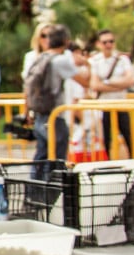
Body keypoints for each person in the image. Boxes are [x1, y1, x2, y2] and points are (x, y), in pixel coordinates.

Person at [25, 24, 90, 163]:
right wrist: (87, 64)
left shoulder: (41, 57)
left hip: (40, 114)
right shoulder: (60, 61)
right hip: (55, 115)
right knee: (57, 159)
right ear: (66, 40)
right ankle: (52, 184)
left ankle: (36, 185)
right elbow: (85, 81)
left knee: (41, 156)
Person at [88, 29, 134, 159]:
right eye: (105, 42)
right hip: (104, 107)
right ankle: (107, 163)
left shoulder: (122, 59)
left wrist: (107, 83)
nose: (108, 45)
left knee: (130, 137)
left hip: (121, 104)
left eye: (111, 41)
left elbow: (130, 80)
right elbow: (95, 85)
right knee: (105, 139)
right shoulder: (95, 61)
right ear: (99, 44)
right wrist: (119, 84)